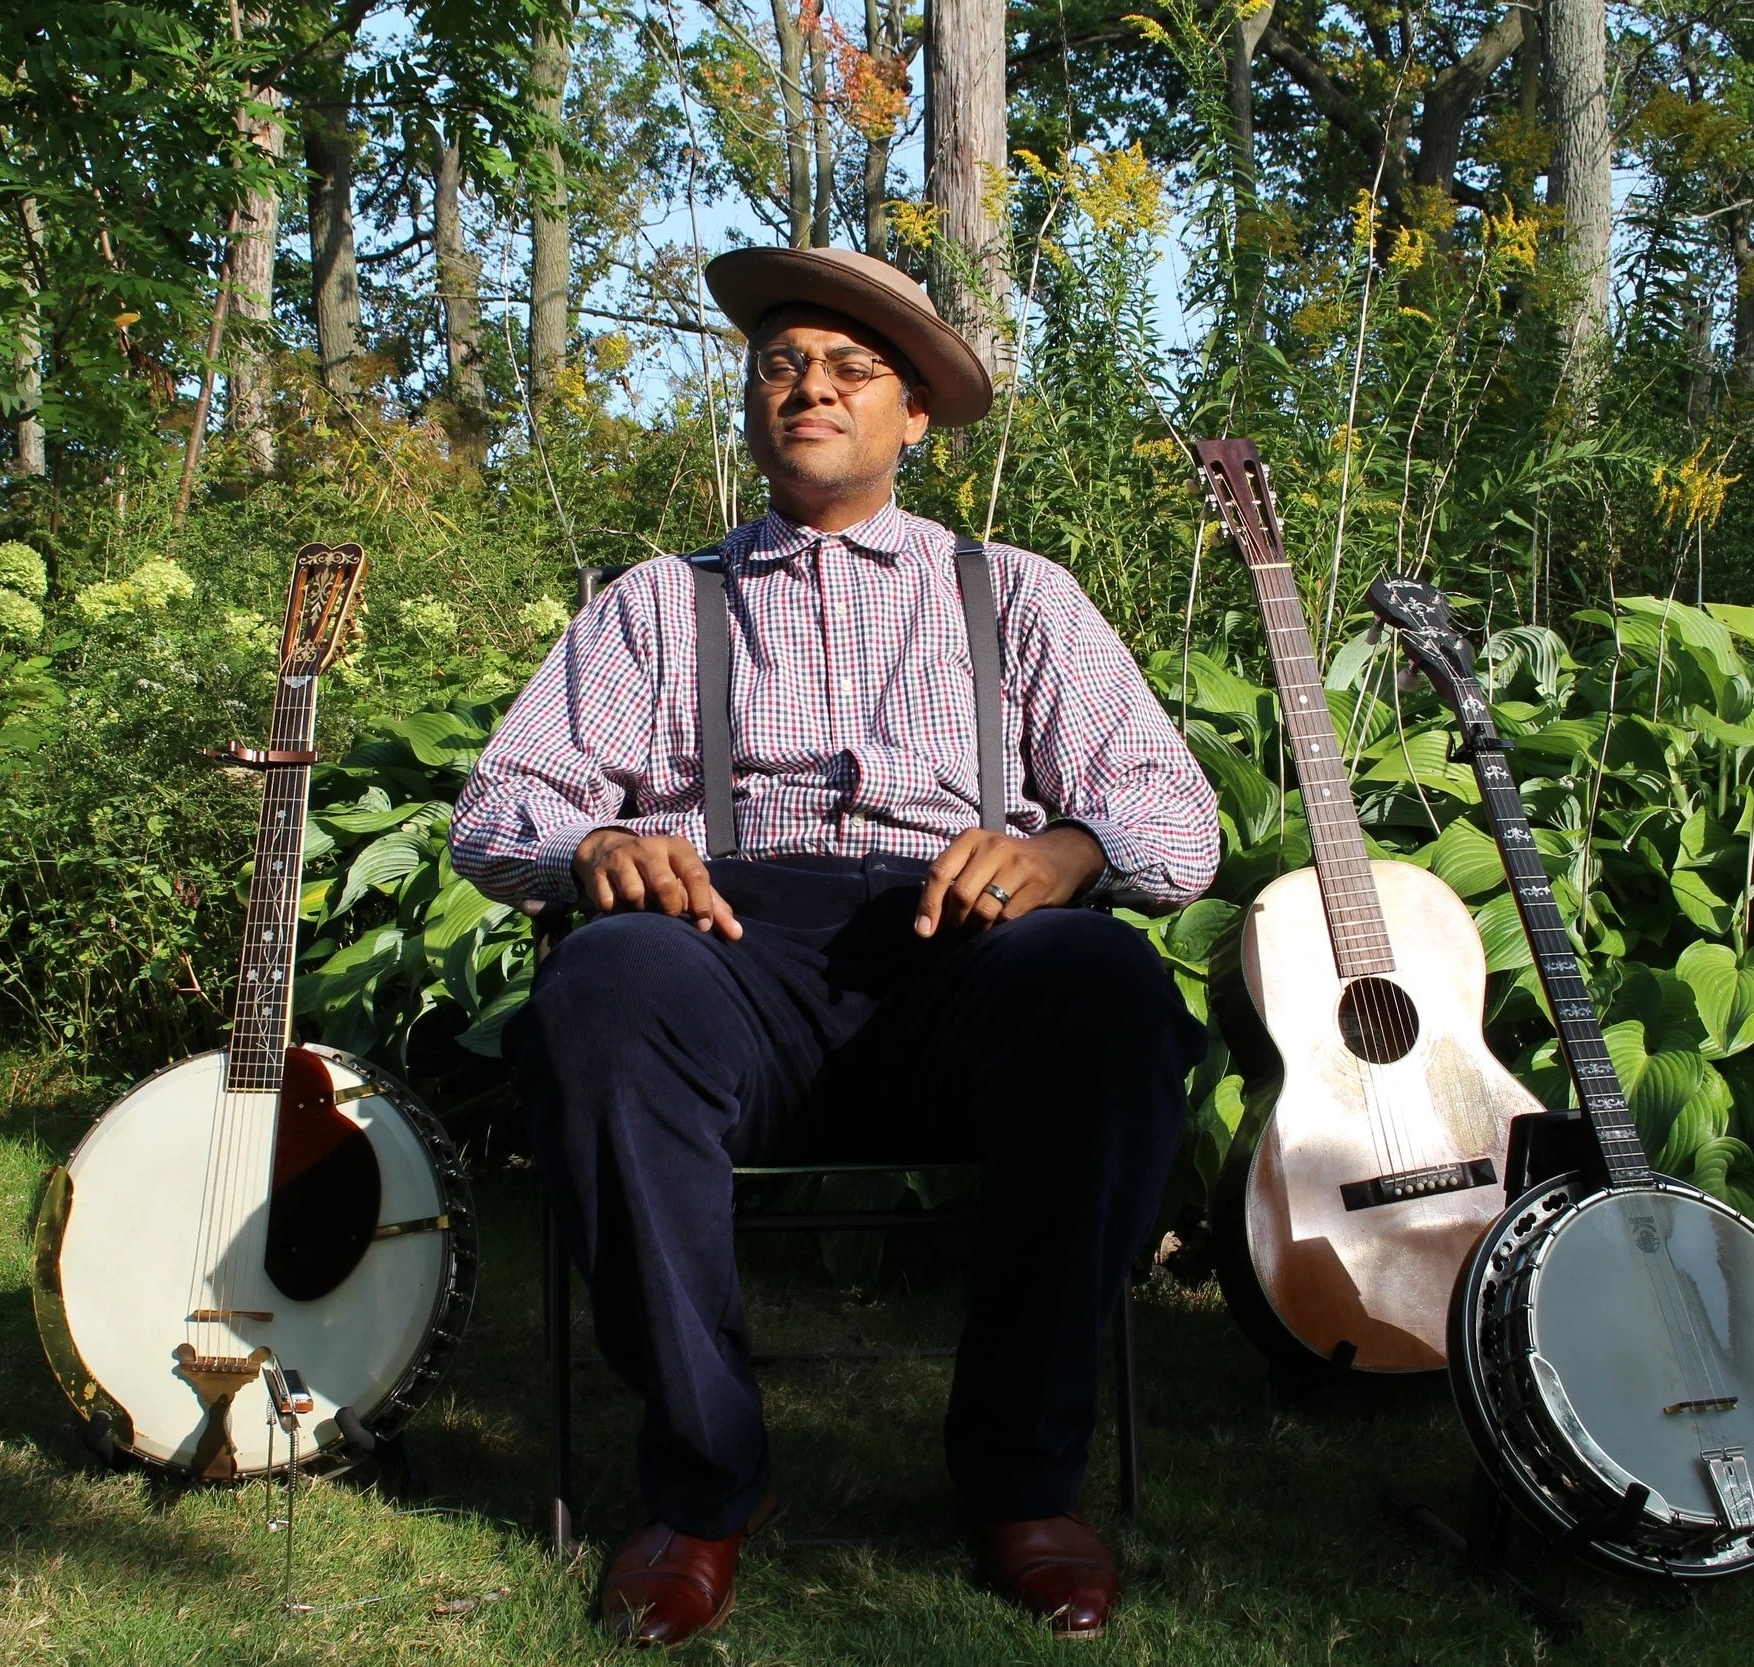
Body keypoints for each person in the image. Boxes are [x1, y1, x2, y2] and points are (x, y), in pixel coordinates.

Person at [450, 245, 1220, 1645]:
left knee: (1108, 986)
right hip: (724, 955)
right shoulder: (655, 605)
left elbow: (1179, 817)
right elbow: (500, 808)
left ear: (916, 416)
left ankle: (1023, 1481)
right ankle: (699, 1491)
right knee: (598, 984)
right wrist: (592, 850)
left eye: (853, 369)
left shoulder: (1018, 598)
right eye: (782, 364)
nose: (810, 386)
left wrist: (1067, 851)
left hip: (961, 962)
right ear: (752, 404)